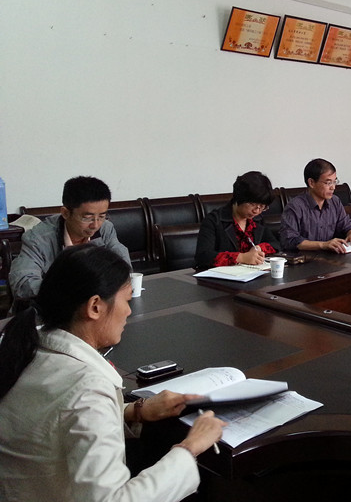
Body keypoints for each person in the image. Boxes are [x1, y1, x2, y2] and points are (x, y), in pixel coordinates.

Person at [0, 245, 225, 501]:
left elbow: (54, 421)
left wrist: (134, 411)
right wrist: (189, 448)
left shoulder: (26, 346)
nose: (129, 311)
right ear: (95, 306)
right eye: (127, 300)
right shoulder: (88, 389)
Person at [9, 176, 131, 301]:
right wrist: (72, 289)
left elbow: (122, 265)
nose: (95, 225)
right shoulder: (38, 239)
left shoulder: (105, 228)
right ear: (65, 213)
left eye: (101, 216)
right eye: (87, 218)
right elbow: (22, 284)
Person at [194, 171, 280, 269]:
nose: (256, 211)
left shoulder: (257, 220)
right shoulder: (214, 220)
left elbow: (275, 244)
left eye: (262, 206)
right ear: (239, 198)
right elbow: (203, 256)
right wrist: (242, 257)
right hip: (223, 276)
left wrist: (259, 248)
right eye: (252, 204)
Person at [279, 158, 351, 253]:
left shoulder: (335, 202)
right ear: (311, 183)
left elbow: (348, 226)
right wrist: (323, 245)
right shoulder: (295, 206)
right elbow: (289, 240)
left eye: (335, 181)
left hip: (331, 257)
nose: (333, 187)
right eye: (328, 183)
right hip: (304, 258)